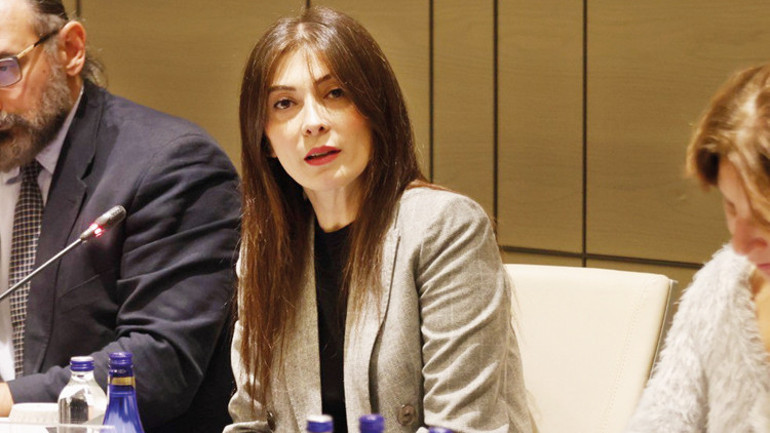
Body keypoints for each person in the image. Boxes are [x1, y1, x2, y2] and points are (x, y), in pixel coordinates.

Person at [226, 6, 532, 433]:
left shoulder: (446, 228)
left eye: (335, 93)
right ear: (266, 142)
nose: (313, 123)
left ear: (374, 109)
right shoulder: (266, 251)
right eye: (285, 103)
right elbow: (251, 421)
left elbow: (461, 427)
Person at [0, 0, 240, 432]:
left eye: (4, 68)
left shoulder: (171, 166)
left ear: (70, 50)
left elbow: (160, 362)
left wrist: (9, 398)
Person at [624, 64, 770, 432]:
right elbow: (660, 421)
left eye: (763, 216)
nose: (741, 244)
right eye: (731, 207)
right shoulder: (723, 286)